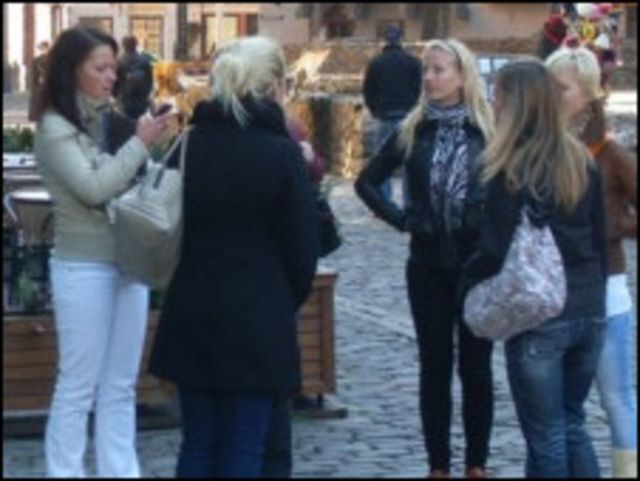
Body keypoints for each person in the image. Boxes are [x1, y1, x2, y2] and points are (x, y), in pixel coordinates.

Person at [148, 36, 319, 478]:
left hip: (193, 306)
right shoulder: (282, 155)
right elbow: (303, 252)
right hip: (258, 314)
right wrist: (281, 299)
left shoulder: (190, 145)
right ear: (274, 87)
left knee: (198, 444)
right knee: (244, 448)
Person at [33, 26, 171, 477]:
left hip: (127, 260)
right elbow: (94, 188)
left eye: (114, 68)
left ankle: (121, 471)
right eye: (101, 68)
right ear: (72, 70)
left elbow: (126, 176)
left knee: (121, 385)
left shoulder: (106, 119)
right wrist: (139, 144)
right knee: (78, 385)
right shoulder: (55, 128)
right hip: (84, 265)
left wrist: (144, 146)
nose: (112, 77)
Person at [462, 58, 608, 478]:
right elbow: (599, 237)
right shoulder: (579, 158)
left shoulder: (510, 166)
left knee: (547, 437)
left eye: (498, 95)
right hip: (588, 308)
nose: (492, 102)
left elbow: (494, 248)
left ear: (516, 104)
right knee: (573, 424)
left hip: (540, 311)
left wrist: (466, 284)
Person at [355, 38, 495, 478]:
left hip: (475, 264)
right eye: (427, 70)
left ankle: (476, 463)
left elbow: (512, 189)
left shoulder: (488, 131)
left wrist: (492, 232)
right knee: (435, 367)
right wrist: (402, 219)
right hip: (427, 264)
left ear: (462, 76)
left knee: (476, 365)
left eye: (439, 70)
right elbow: (366, 182)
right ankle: (438, 465)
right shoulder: (413, 129)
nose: (430, 78)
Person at [546, 46, 637, 478]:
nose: (552, 95)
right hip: (552, 290)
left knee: (616, 397)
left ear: (586, 94)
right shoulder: (542, 148)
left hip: (605, 288)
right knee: (564, 406)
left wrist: (612, 227)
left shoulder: (609, 153)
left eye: (561, 88)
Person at [362, 24, 422, 203]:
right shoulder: (413, 62)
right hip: (408, 115)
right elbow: (420, 89)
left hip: (384, 115)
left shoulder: (376, 64)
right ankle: (410, 201)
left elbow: (368, 91)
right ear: (401, 39)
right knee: (410, 161)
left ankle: (383, 201)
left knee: (382, 162)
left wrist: (374, 110)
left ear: (385, 40)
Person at [113, 35, 154, 120]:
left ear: (123, 46)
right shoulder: (145, 62)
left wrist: (117, 97)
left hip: (124, 102)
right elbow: (150, 83)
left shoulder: (119, 62)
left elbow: (114, 84)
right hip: (141, 102)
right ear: (136, 45)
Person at [28, 41, 50, 122]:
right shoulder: (37, 60)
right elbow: (34, 72)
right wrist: (35, 80)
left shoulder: (52, 59)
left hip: (49, 83)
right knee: (37, 100)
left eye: (44, 48)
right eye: (41, 48)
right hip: (39, 84)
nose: (42, 50)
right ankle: (37, 116)